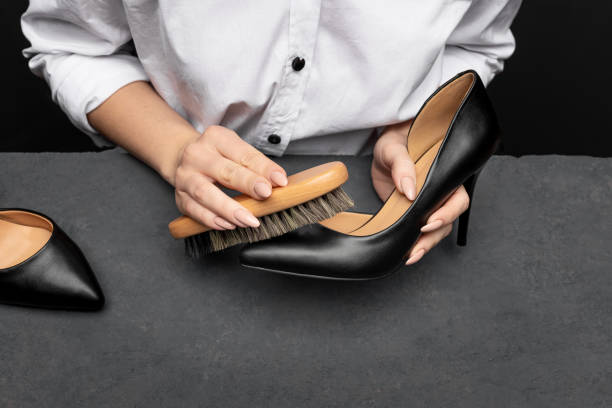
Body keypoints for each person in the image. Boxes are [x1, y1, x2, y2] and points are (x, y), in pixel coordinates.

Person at [21, 1, 521, 265]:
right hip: (164, 186)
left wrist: (414, 133)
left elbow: (473, 44)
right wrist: (176, 150)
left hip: (372, 191)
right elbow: (72, 46)